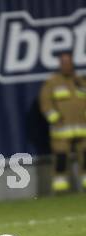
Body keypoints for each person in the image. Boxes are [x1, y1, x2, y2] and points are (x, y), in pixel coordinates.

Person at [39, 52, 86, 193]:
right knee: (60, 157)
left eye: (69, 62)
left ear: (73, 64)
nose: (66, 65)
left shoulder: (81, 81)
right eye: (63, 63)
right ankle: (61, 188)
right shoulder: (52, 82)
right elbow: (45, 104)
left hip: (83, 128)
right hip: (61, 130)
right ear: (60, 65)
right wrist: (55, 119)